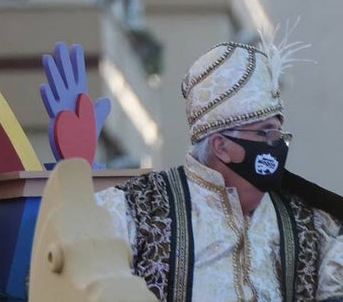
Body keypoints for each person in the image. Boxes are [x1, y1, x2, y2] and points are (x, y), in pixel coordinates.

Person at [95, 39, 343, 301]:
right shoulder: (134, 209)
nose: (277, 145)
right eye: (264, 133)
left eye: (279, 133)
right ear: (221, 146)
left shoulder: (311, 225)